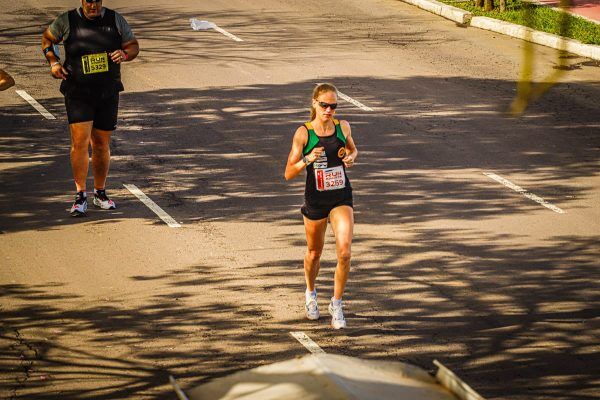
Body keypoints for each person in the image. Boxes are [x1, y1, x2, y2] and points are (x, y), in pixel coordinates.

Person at [41, 0, 139, 216]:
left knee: (102, 144)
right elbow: (47, 39)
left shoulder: (115, 20)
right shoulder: (66, 21)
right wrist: (53, 62)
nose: (93, 6)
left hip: (107, 91)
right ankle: (80, 196)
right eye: (89, 1)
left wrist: (124, 55)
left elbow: (133, 45)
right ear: (82, 1)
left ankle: (100, 193)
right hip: (78, 92)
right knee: (80, 143)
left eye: (97, 1)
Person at [284, 83, 358, 329]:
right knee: (315, 253)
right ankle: (311, 293)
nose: (329, 110)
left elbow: (352, 149)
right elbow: (288, 173)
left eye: (333, 106)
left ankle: (337, 303)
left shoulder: (342, 126)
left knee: (345, 252)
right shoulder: (303, 133)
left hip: (340, 197)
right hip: (315, 200)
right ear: (315, 103)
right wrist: (307, 159)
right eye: (324, 105)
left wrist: (350, 157)